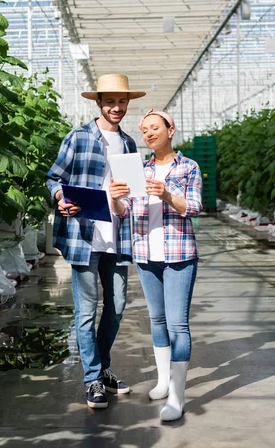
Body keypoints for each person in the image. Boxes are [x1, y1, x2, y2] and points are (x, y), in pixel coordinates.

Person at [46, 74, 146, 409]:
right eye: (110, 102)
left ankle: (102, 369)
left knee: (117, 307)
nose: (116, 108)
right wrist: (60, 196)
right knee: (86, 311)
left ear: (127, 103)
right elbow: (54, 177)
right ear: (98, 102)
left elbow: (133, 193)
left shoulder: (130, 144)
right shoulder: (78, 137)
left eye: (122, 102)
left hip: (116, 238)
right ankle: (92, 379)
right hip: (85, 237)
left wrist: (125, 199)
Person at [109, 109, 202, 421]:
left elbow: (194, 206)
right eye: (144, 130)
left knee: (177, 325)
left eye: (154, 128)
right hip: (146, 255)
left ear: (170, 129)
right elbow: (126, 210)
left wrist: (166, 194)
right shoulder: (141, 169)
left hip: (178, 255)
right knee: (157, 320)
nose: (148, 134)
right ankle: (163, 382)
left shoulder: (188, 167)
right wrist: (115, 198)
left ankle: (177, 397)